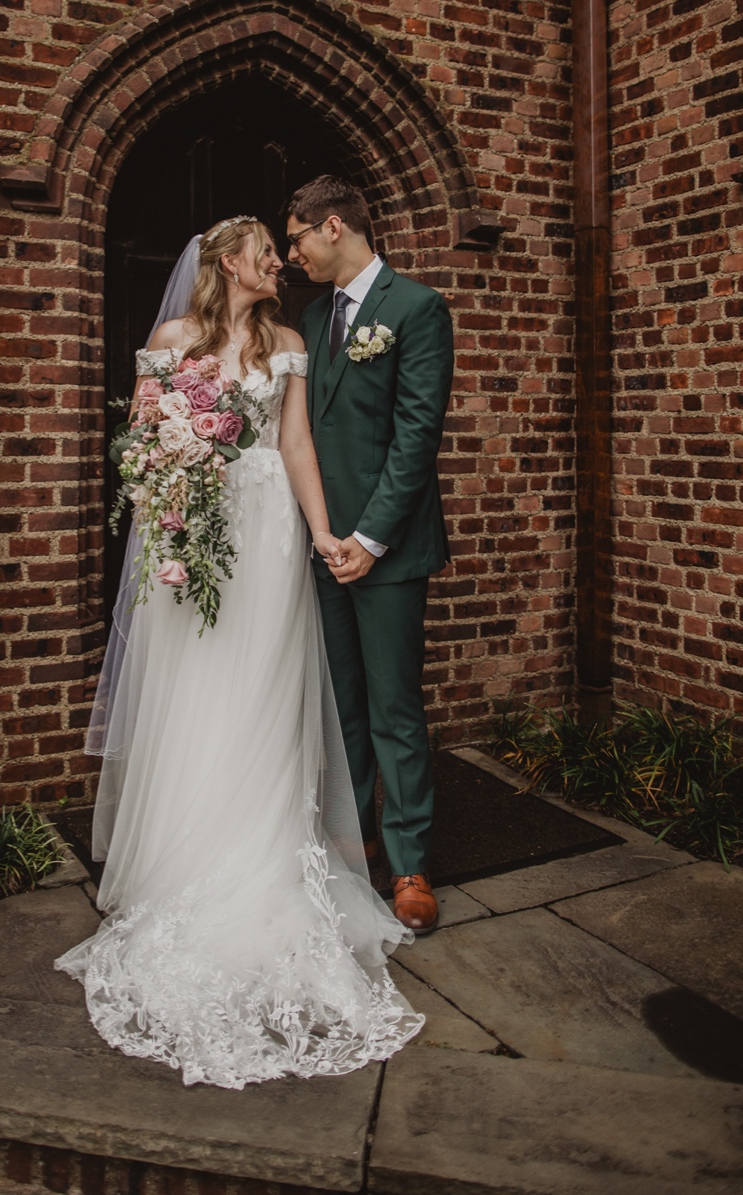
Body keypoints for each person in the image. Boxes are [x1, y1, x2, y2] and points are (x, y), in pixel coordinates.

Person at [58, 214, 423, 1090]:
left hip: (266, 539)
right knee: (199, 694)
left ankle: (267, 854)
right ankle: (188, 859)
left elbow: (294, 444)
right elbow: (143, 446)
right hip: (197, 532)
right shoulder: (175, 338)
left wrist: (326, 532)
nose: (278, 262)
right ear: (229, 262)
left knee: (265, 688)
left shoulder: (289, 340)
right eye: (266, 252)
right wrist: (173, 495)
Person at [284, 175, 455, 934]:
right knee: (340, 708)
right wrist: (326, 535)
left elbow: (417, 437)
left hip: (386, 551)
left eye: (295, 239)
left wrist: (368, 538)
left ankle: (410, 861)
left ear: (332, 227)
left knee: (394, 710)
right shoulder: (313, 315)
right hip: (323, 546)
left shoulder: (417, 308)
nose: (291, 255)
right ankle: (350, 852)